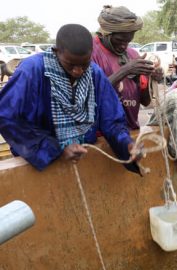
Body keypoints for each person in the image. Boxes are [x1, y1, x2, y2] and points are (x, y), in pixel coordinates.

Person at [0, 24, 140, 172]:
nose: (78, 71)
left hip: (83, 160)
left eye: (84, 64)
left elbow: (112, 120)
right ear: (56, 52)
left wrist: (127, 143)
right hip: (39, 163)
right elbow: (6, 117)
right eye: (71, 64)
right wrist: (55, 148)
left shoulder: (94, 73)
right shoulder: (32, 70)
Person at [91, 5, 154, 130]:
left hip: (130, 132)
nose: (124, 46)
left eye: (128, 41)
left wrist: (149, 78)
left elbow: (146, 102)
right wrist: (125, 70)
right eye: (119, 41)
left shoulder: (133, 55)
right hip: (102, 138)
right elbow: (91, 98)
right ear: (105, 34)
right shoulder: (90, 53)